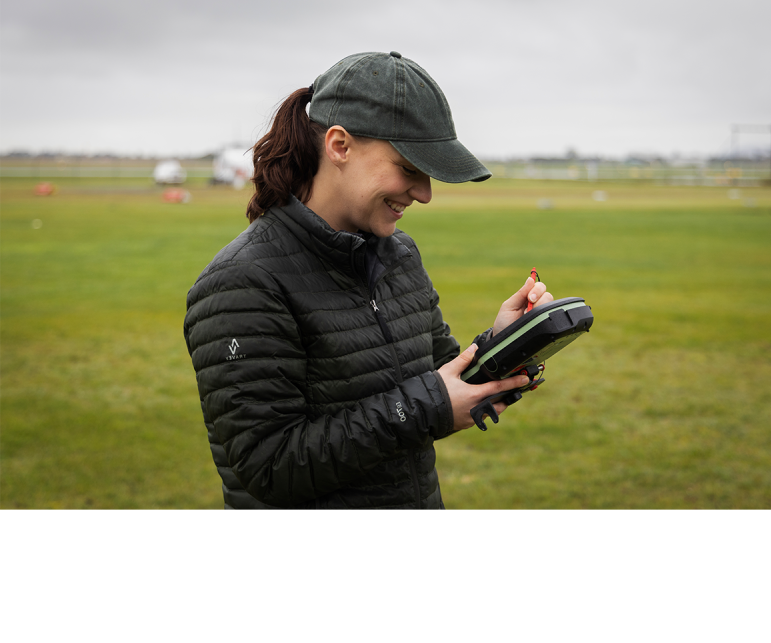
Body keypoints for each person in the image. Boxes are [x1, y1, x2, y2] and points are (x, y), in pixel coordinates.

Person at [184, 51, 553, 509]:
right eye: (409, 169)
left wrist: (504, 344)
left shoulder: (400, 255)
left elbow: (441, 378)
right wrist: (426, 408)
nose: (425, 194)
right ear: (339, 146)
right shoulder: (242, 282)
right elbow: (269, 467)